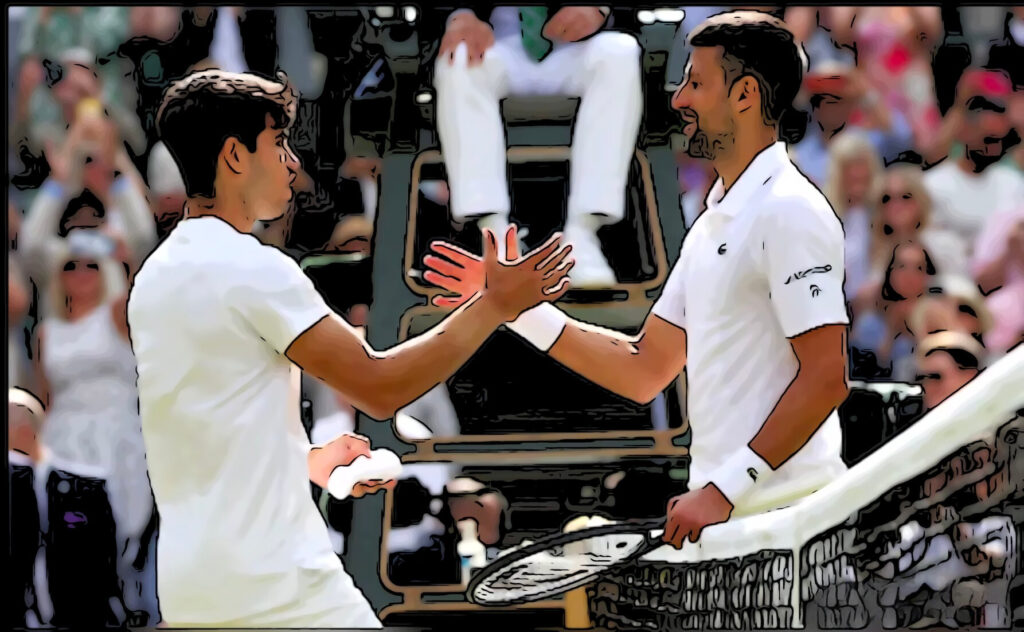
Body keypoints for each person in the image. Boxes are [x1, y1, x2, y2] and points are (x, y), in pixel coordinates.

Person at [126, 69, 573, 628]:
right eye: (278, 143)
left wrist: (305, 462)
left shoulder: (153, 276)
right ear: (236, 156)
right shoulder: (254, 266)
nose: (292, 162)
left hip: (192, 584)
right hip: (279, 581)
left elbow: (204, 436)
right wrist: (494, 305)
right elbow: (382, 388)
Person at [423, 11, 852, 549]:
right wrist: (515, 308)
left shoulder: (789, 210)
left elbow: (826, 377)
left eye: (696, 83)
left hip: (794, 525)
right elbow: (644, 368)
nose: (679, 100)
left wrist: (722, 489)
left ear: (743, 96)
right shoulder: (713, 221)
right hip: (734, 527)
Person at [435, 5, 641, 288]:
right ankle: (497, 241)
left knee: (620, 51)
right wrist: (461, 16)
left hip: (575, 48)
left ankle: (582, 238)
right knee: (458, 58)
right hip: (497, 44)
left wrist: (599, 9)